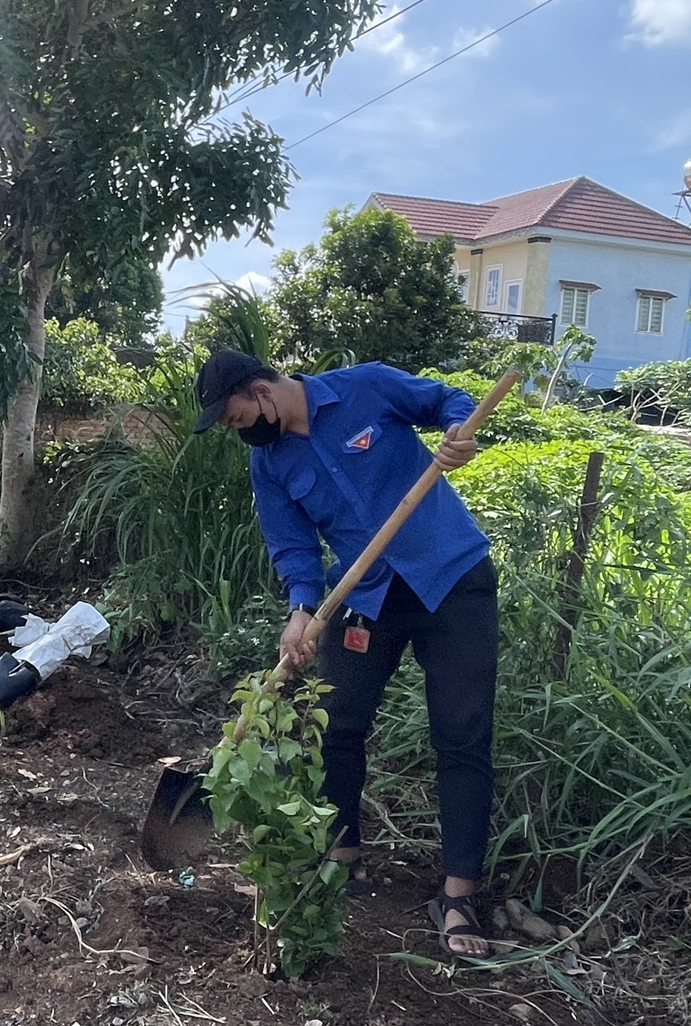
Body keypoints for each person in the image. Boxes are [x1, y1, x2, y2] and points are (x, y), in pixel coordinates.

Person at [193, 348, 497, 960]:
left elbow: (443, 400)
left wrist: (460, 430)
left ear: (263, 393)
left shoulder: (366, 387)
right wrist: (302, 607)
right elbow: (292, 541)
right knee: (338, 727)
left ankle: (458, 894)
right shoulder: (272, 463)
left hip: (452, 579)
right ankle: (343, 854)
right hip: (367, 597)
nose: (238, 431)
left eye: (235, 418)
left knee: (462, 736)